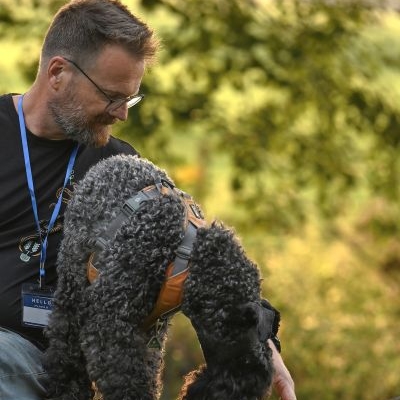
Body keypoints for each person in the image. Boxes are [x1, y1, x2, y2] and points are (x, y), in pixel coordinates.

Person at [0, 1, 296, 399]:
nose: (122, 114)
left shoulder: (118, 166)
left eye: (130, 99)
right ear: (58, 73)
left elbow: (197, 252)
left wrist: (261, 339)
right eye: (111, 96)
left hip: (58, 368)